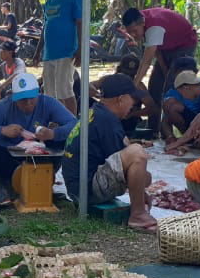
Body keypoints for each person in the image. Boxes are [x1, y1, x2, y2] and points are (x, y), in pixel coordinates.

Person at [61, 73, 158, 231]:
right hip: (86, 190)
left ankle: (138, 211)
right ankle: (138, 215)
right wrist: (141, 183)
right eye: (132, 99)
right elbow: (128, 165)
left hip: (76, 187)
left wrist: (138, 187)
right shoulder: (107, 121)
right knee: (138, 153)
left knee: (132, 149)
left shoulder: (97, 113)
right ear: (121, 99)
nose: (133, 105)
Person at [0, 74, 77, 210]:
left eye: (32, 98)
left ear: (39, 93)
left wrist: (53, 134)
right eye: (22, 99)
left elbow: (75, 124)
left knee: (66, 139)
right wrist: (2, 130)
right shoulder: (3, 106)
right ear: (12, 96)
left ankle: (45, 184)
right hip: (9, 157)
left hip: (40, 157)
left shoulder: (48, 102)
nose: (28, 103)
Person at [120, 7, 199, 122]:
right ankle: (153, 129)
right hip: (166, 47)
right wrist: (164, 69)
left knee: (171, 87)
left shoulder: (154, 27)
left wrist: (133, 86)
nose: (133, 35)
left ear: (142, 23)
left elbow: (146, 61)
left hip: (184, 45)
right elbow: (156, 51)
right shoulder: (143, 19)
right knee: (155, 84)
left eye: (135, 31)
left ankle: (167, 129)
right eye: (129, 32)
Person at [42, 0, 84, 115]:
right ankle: (56, 122)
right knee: (50, 93)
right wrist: (39, 50)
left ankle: (71, 124)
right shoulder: (50, 1)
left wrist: (80, 49)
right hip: (49, 53)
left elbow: (80, 24)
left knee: (65, 90)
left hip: (66, 52)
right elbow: (45, 27)